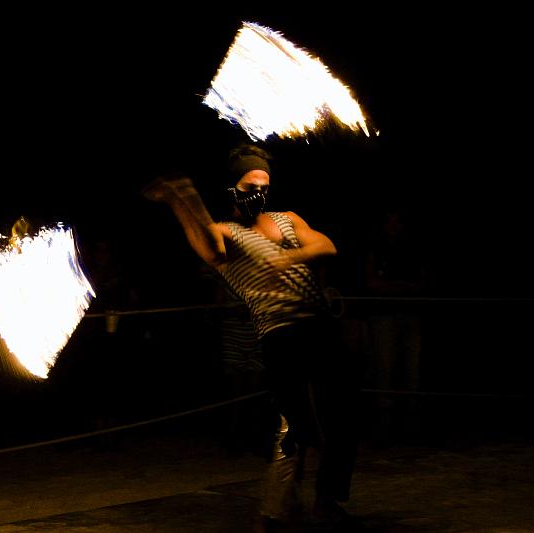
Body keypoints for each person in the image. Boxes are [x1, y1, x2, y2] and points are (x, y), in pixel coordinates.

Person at [142, 144, 358, 529]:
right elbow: (209, 249)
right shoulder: (226, 231)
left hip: (320, 326)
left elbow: (326, 244)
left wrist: (286, 257)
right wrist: (182, 199)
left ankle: (326, 499)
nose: (259, 191)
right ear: (233, 188)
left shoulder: (287, 218)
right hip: (280, 334)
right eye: (250, 183)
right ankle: (272, 514)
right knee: (295, 427)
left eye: (264, 183)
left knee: (343, 417)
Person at [363, 205, 427, 443]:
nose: (394, 227)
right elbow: (371, 283)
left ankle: (410, 422)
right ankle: (383, 425)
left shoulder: (412, 249)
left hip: (410, 315)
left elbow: (421, 284)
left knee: (412, 368)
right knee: (383, 368)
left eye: (397, 222)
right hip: (383, 316)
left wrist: (394, 287)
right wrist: (401, 288)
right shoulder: (375, 249)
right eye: (390, 222)